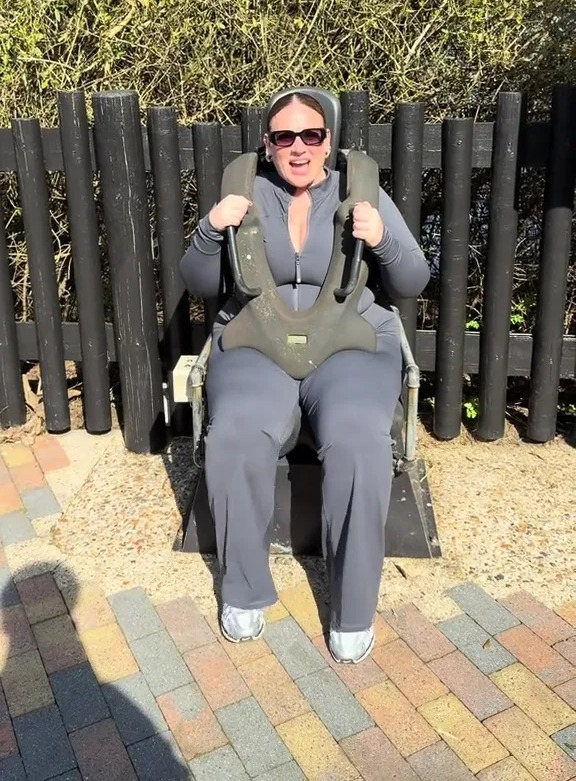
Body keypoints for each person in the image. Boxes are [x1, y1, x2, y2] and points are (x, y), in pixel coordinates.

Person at [179, 90, 430, 664]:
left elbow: (413, 279)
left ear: (329, 141)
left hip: (350, 341)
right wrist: (211, 229)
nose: (298, 147)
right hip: (256, 339)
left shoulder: (359, 190)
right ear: (267, 144)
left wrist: (382, 238)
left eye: (310, 135)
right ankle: (242, 588)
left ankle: (353, 607)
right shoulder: (243, 189)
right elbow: (197, 281)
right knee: (237, 431)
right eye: (284, 136)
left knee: (360, 436)